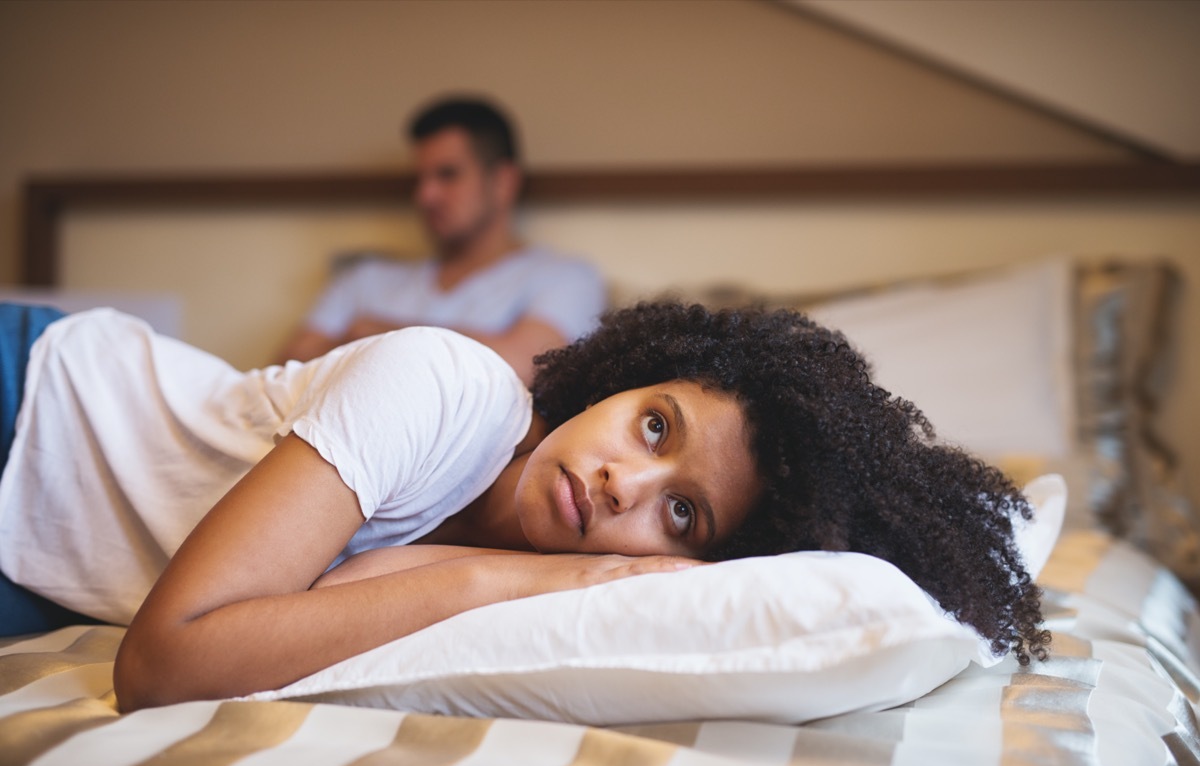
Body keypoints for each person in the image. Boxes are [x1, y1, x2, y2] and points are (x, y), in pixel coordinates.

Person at [0, 299, 1049, 713]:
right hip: (28, 410)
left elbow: (335, 600)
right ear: (616, 382)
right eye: (653, 427)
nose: (622, 486)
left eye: (680, 516)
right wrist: (543, 573)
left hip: (34, 576)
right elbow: (164, 665)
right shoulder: (444, 389)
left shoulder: (527, 573)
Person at [275, 95, 606, 383]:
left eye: (448, 175)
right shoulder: (365, 278)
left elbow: (525, 366)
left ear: (504, 182)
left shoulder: (566, 277)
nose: (425, 195)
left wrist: (371, 335)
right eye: (419, 179)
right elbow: (282, 372)